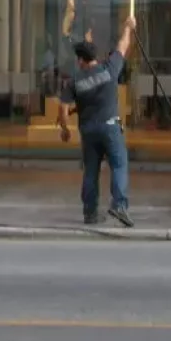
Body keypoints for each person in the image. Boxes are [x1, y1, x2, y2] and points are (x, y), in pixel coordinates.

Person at [57, 12, 137, 227]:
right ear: (95, 57)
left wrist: (65, 129)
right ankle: (119, 205)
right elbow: (122, 47)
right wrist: (128, 27)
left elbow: (63, 109)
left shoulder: (73, 82)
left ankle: (90, 213)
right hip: (110, 127)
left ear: (80, 60)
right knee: (119, 164)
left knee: (91, 171)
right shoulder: (109, 69)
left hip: (88, 131)